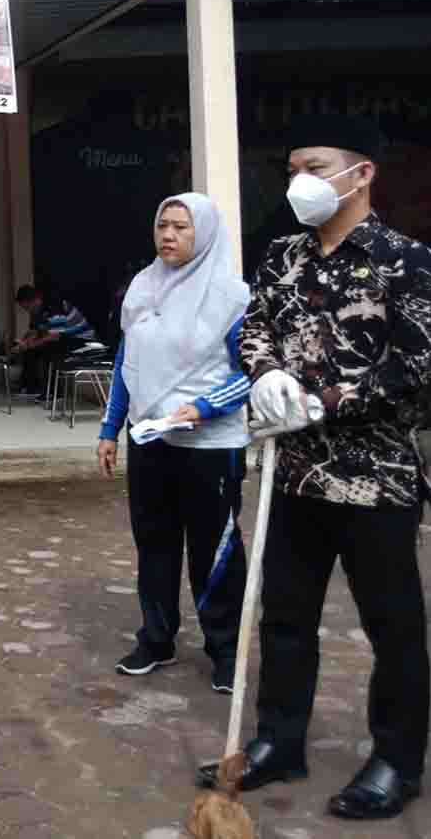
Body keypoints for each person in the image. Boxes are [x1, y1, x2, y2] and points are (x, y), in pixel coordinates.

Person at [200, 117, 431, 822]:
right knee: (285, 616)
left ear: (362, 174)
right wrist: (265, 372)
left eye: (317, 164)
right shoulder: (282, 257)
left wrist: (322, 399)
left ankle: (396, 759)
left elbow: (416, 362)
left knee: (392, 626)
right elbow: (255, 327)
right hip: (292, 474)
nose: (301, 179)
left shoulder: (405, 259)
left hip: (374, 475)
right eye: (294, 166)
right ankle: (279, 739)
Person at [96, 194, 250, 695]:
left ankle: (226, 651)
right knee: (155, 543)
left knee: (214, 550)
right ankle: (157, 638)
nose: (168, 235)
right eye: (162, 224)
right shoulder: (143, 286)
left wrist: (204, 409)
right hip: (151, 443)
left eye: (181, 227)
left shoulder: (230, 295)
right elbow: (126, 363)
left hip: (209, 446)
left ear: (202, 234)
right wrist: (110, 427)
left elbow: (252, 372)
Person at [11, 286, 96, 400]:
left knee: (49, 348)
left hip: (84, 341)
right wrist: (22, 343)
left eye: (27, 307)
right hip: (65, 339)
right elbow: (34, 332)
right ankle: (31, 387)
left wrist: (28, 345)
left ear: (35, 300)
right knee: (32, 348)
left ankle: (54, 392)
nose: (27, 311)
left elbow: (54, 336)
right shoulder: (37, 311)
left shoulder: (55, 306)